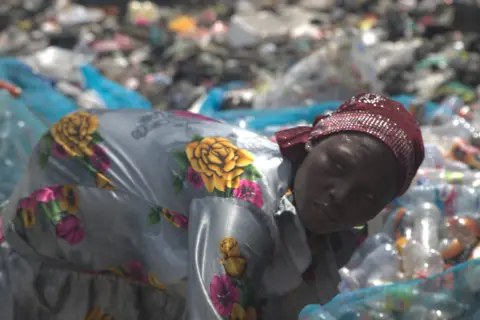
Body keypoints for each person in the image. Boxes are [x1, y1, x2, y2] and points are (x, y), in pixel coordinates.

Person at [0, 93, 423, 319]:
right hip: (55, 209)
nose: (341, 195)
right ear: (312, 143)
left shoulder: (340, 224)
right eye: (338, 166)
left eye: (367, 195)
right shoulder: (243, 198)